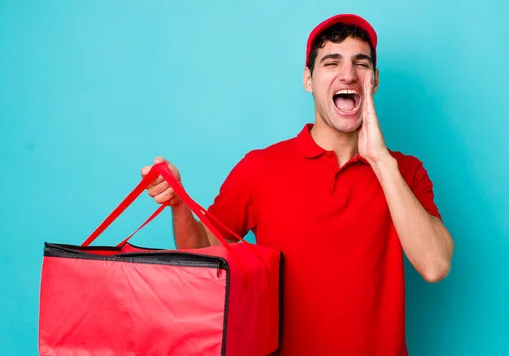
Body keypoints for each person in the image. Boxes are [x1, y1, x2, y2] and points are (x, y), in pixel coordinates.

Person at [141, 13, 454, 355]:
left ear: (374, 81)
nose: (348, 74)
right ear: (308, 79)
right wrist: (179, 206)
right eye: (331, 62)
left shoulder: (404, 171)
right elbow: (204, 253)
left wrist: (380, 160)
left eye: (360, 64)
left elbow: (435, 265)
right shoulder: (260, 168)